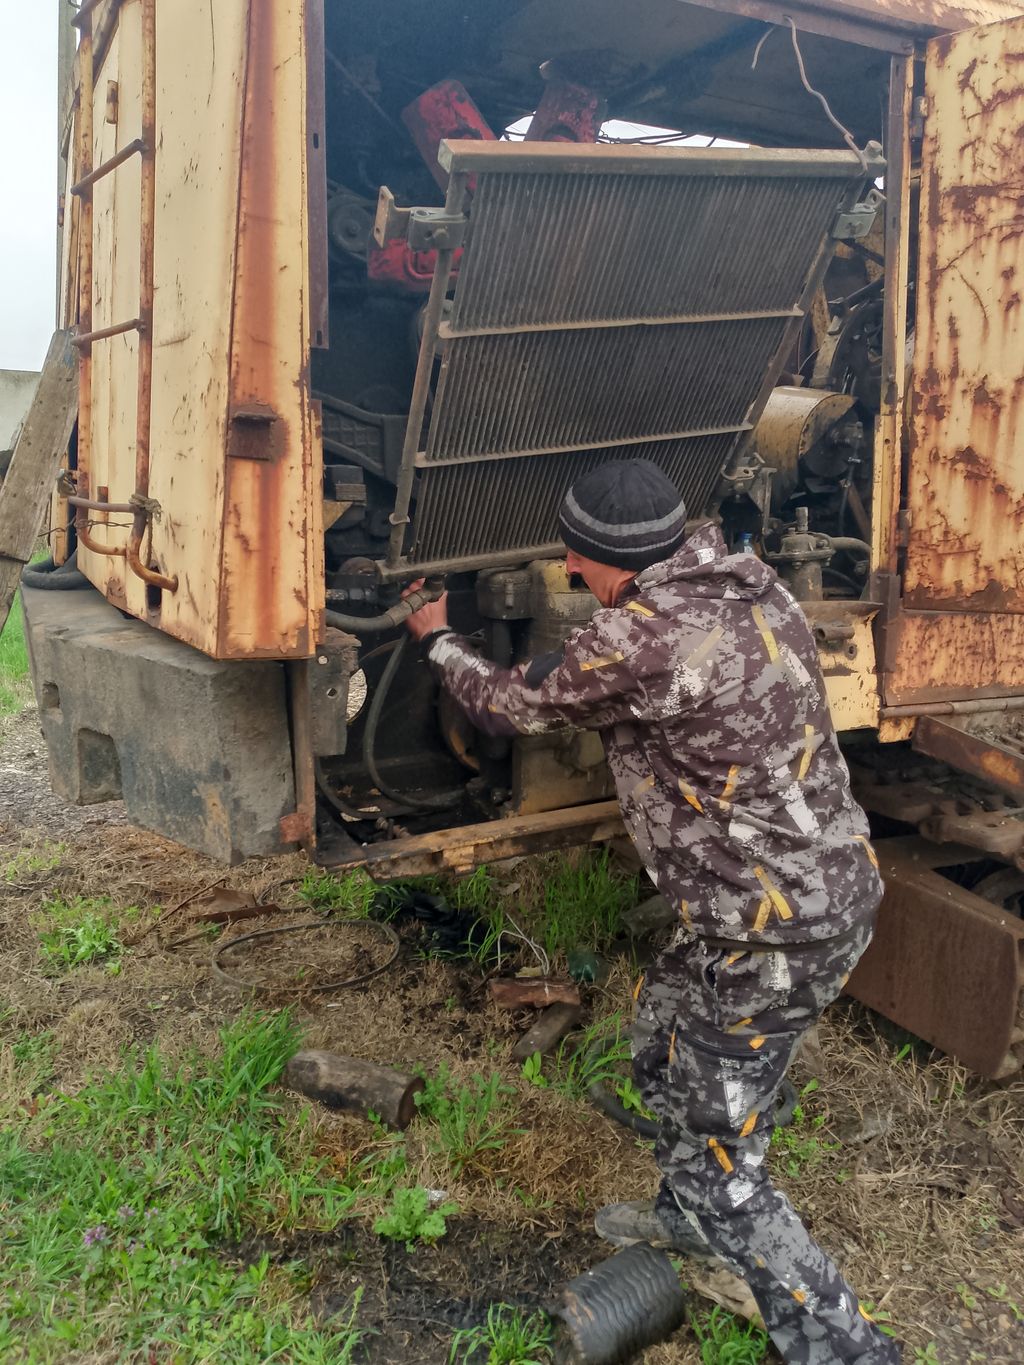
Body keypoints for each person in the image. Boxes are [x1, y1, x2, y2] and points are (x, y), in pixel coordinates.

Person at [402, 459, 897, 1365]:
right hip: (810, 895)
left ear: (604, 557)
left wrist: (438, 639)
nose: (568, 567)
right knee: (661, 1038)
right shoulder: (753, 585)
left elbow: (510, 706)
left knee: (721, 1163)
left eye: (576, 555)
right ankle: (688, 1217)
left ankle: (849, 1347)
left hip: (771, 932)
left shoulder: (640, 637)